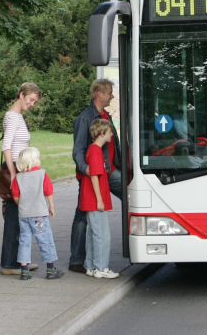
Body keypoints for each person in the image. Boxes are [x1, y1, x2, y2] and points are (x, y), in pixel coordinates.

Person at [68, 79, 122, 273]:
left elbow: (113, 145)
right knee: (83, 215)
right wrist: (87, 169)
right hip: (93, 174)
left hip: (109, 171)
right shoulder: (85, 118)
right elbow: (78, 150)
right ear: (99, 93)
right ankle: (77, 260)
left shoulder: (105, 115)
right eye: (109, 93)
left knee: (135, 194)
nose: (112, 96)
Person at [0, 82, 41, 276]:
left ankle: (19, 260)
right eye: (31, 99)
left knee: (19, 216)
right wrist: (14, 174)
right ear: (21, 95)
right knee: (15, 217)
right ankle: (10, 264)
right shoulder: (14, 117)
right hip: (15, 168)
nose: (32, 104)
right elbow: (6, 146)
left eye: (34, 101)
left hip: (19, 168)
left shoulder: (16, 116)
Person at [12, 147, 64, 281]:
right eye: (38, 158)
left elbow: (16, 196)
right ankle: (51, 268)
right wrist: (51, 207)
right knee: (45, 240)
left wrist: (23, 205)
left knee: (24, 240)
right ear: (34, 161)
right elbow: (49, 191)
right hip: (39, 215)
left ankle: (24, 270)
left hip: (24, 215)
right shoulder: (42, 174)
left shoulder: (18, 177)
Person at [81, 118, 118, 279]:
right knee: (102, 235)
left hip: (90, 199)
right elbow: (95, 177)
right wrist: (100, 200)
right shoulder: (96, 151)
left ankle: (90, 266)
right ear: (102, 133)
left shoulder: (92, 149)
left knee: (92, 233)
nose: (112, 134)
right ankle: (101, 267)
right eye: (110, 131)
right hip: (95, 200)